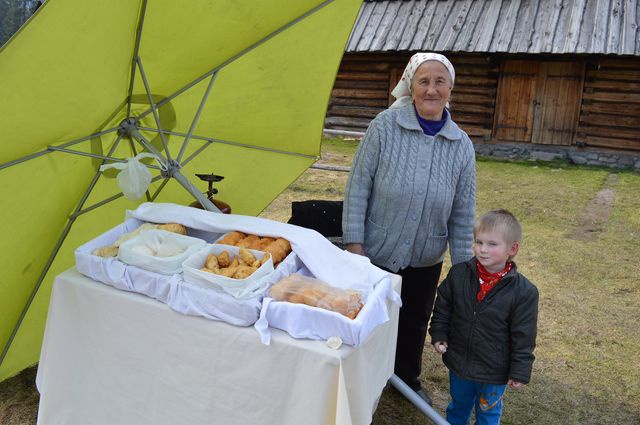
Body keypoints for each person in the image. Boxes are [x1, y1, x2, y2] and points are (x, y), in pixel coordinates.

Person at [342, 52, 476, 404]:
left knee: (415, 318)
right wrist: (355, 245)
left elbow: (462, 213)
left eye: (439, 81)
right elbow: (358, 187)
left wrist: (464, 271)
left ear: (450, 88)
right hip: (377, 248)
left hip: (425, 253)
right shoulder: (384, 126)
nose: (432, 89)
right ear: (411, 86)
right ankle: (363, 378)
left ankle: (405, 380)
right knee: (370, 316)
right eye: (424, 81)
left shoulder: (461, 145)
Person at [429, 209, 539, 425]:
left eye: (492, 244)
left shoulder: (524, 292)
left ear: (512, 249)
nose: (483, 249)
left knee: (488, 412)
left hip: (494, 370)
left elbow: (523, 336)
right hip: (460, 361)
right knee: (458, 405)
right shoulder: (459, 274)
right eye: (479, 242)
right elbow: (443, 306)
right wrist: (439, 333)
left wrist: (519, 370)